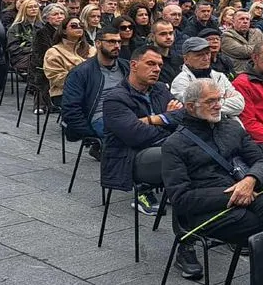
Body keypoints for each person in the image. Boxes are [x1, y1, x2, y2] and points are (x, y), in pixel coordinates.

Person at [162, 78, 263, 278]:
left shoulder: (232, 128)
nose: (218, 105)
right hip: (207, 207)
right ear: (190, 107)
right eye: (210, 101)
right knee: (259, 224)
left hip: (245, 191)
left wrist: (250, 180)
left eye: (219, 99)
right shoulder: (175, 145)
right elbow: (181, 199)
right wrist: (233, 194)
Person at [102, 47, 185, 218]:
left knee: (192, 146)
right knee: (179, 149)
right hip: (130, 157)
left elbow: (183, 116)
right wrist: (168, 121)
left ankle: (182, 190)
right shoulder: (116, 98)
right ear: (133, 65)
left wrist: (153, 120)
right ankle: (145, 190)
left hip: (162, 144)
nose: (156, 69)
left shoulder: (160, 89)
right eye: (150, 64)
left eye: (159, 65)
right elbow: (136, 135)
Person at [61, 23, 128, 157]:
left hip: (127, 113)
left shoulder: (126, 67)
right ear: (98, 43)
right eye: (111, 42)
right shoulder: (81, 72)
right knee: (129, 135)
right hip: (99, 117)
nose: (117, 46)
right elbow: (70, 108)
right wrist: (88, 131)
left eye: (119, 42)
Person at [170, 37, 245, 118]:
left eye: (207, 53)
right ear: (186, 59)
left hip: (228, 124)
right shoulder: (181, 81)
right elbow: (192, 109)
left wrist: (207, 104)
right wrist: (224, 100)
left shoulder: (219, 76)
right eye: (199, 55)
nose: (206, 58)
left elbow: (240, 105)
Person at [43, 15, 93, 106]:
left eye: (81, 25)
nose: (78, 27)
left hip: (92, 90)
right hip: (63, 93)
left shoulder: (92, 50)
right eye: (74, 26)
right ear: (64, 30)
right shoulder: (54, 52)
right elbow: (57, 79)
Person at [6, 0, 41, 73]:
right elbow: (13, 48)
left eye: (35, 6)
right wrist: (31, 50)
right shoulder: (16, 27)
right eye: (30, 7)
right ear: (24, 9)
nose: (33, 9)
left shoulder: (42, 26)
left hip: (39, 56)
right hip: (21, 57)